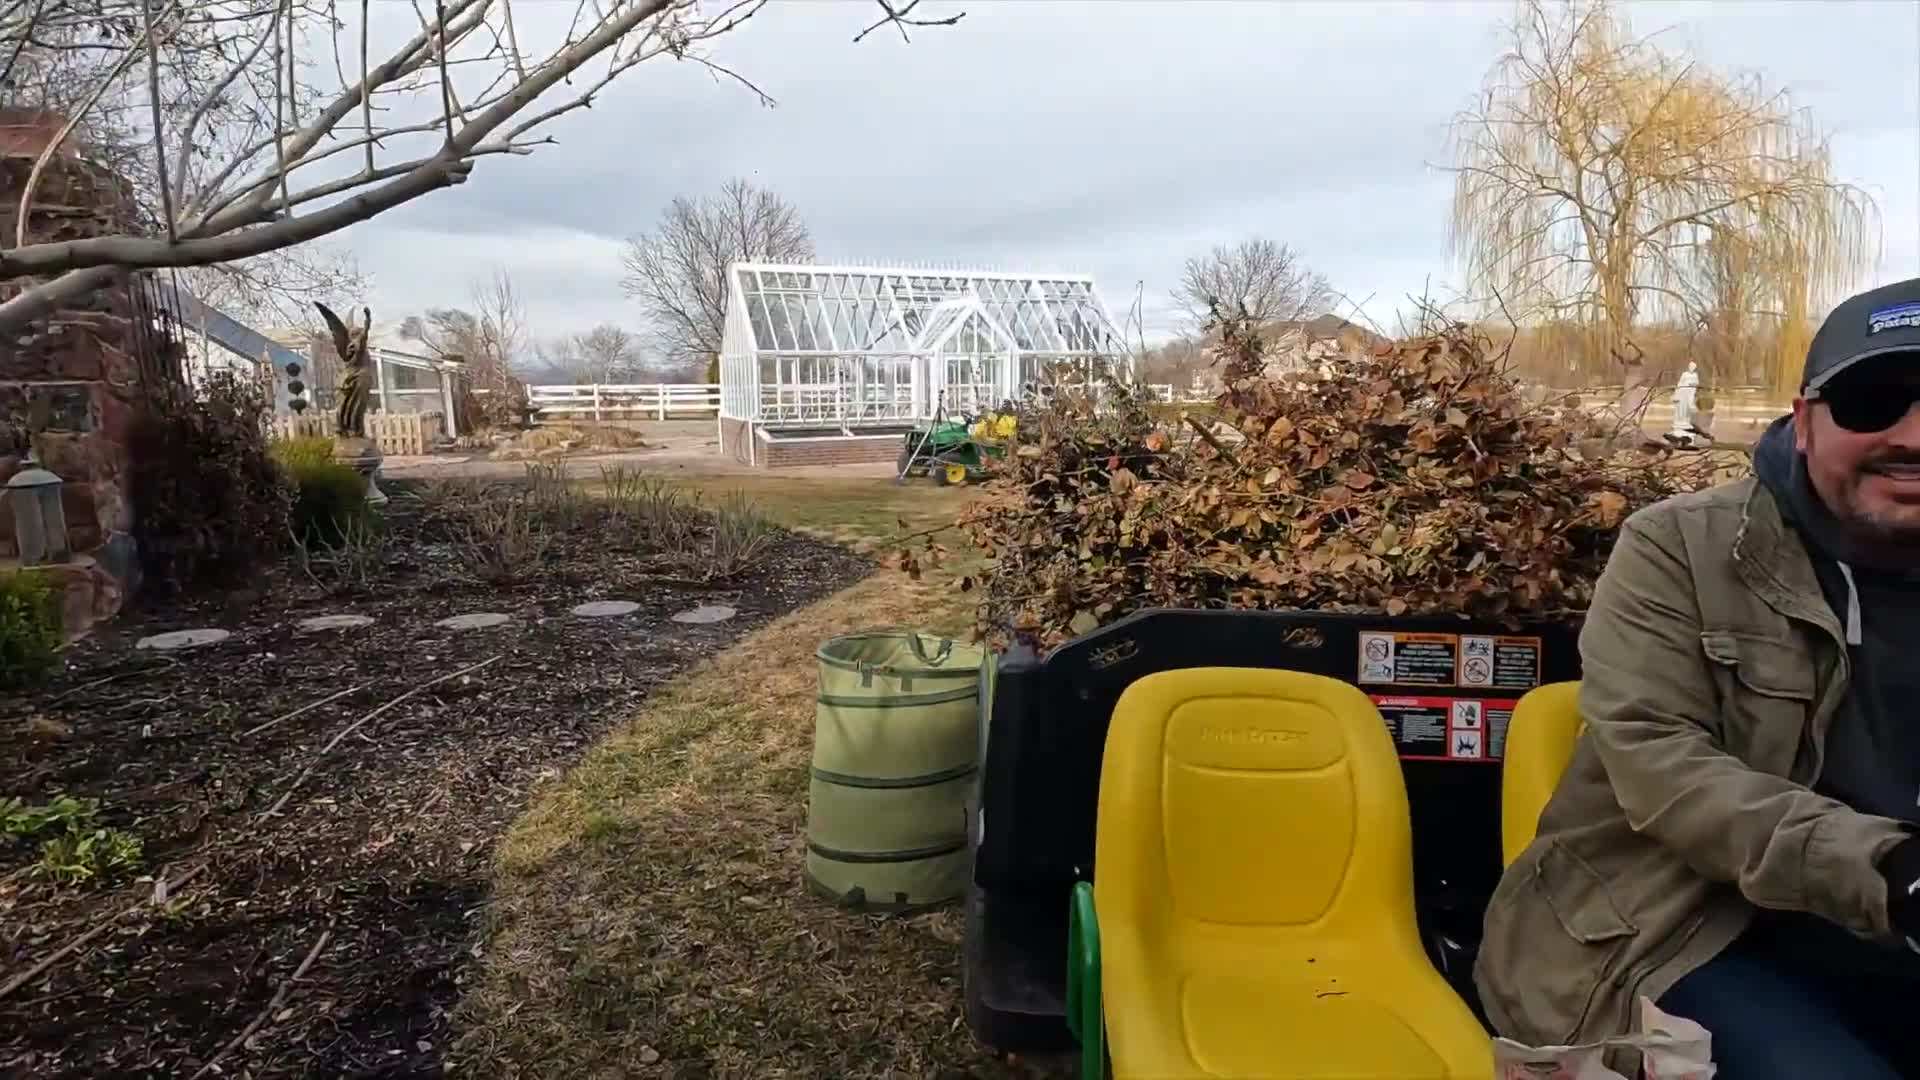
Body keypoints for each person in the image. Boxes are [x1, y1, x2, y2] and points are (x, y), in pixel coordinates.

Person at [1475, 278, 1920, 1078]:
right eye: (1873, 401)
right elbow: (1663, 768)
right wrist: (1892, 874)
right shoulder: (1677, 547)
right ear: (1805, 418)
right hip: (1676, 931)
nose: (1913, 435)